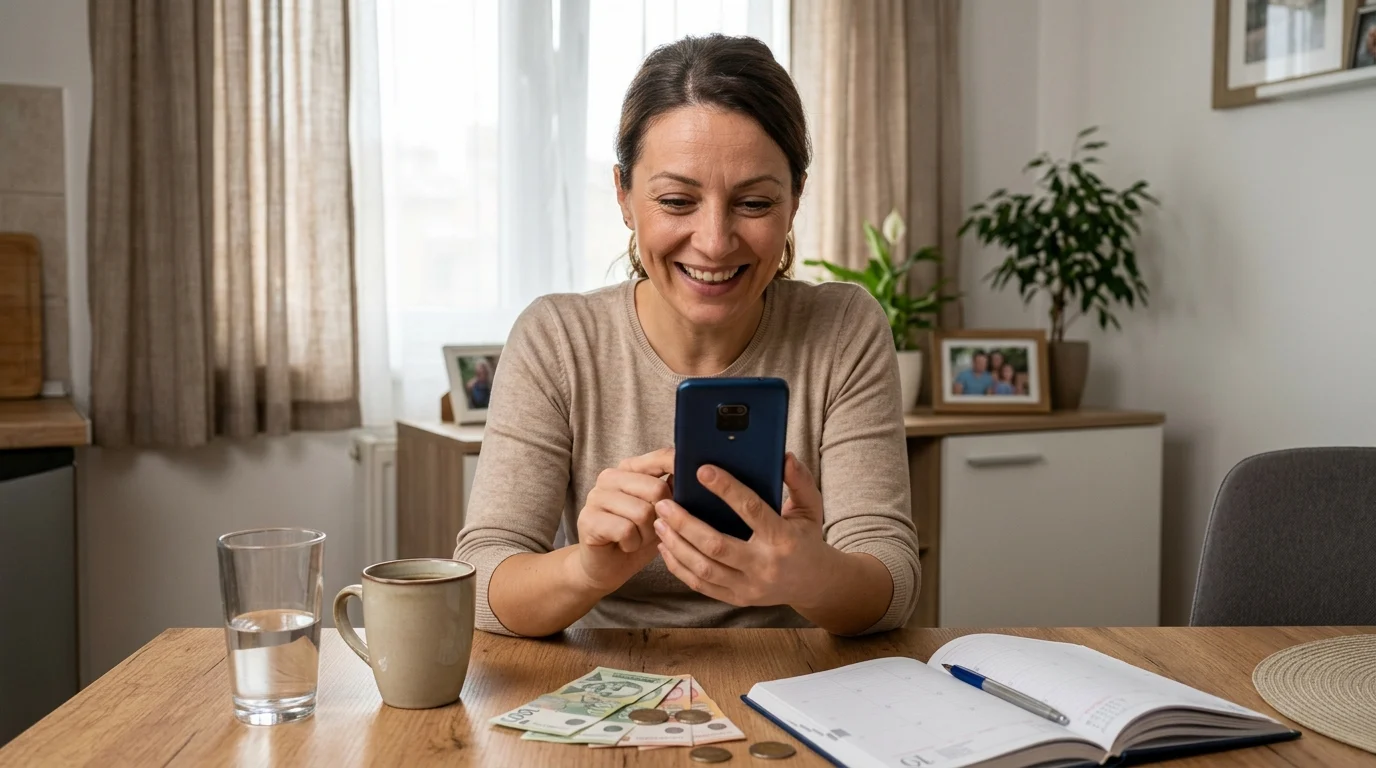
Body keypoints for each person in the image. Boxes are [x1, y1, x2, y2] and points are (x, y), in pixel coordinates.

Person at [454, 34, 918, 640]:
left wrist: (809, 577)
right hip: (604, 675)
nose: (714, 240)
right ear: (623, 194)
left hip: (792, 677)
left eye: (753, 203)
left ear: (796, 197)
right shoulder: (557, 338)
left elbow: (892, 580)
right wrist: (589, 568)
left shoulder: (844, 329)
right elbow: (484, 579)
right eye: (677, 200)